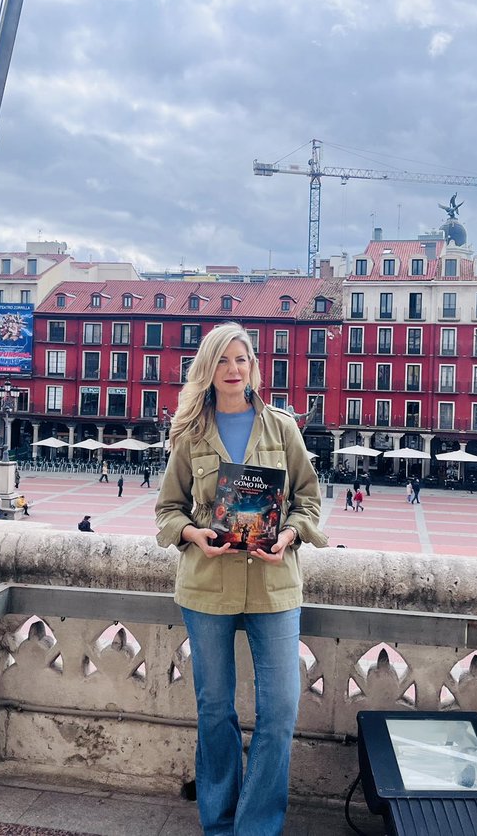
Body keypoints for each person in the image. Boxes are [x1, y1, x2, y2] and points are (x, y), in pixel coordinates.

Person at [154, 322, 325, 836]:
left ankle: (256, 827)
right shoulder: (189, 434)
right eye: (224, 361)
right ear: (208, 369)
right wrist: (192, 532)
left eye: (243, 360)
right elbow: (167, 510)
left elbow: (310, 502)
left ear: (254, 367)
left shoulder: (282, 428)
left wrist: (290, 536)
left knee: (280, 709)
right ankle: (220, 822)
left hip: (274, 587)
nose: (234, 370)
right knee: (214, 709)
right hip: (207, 586)